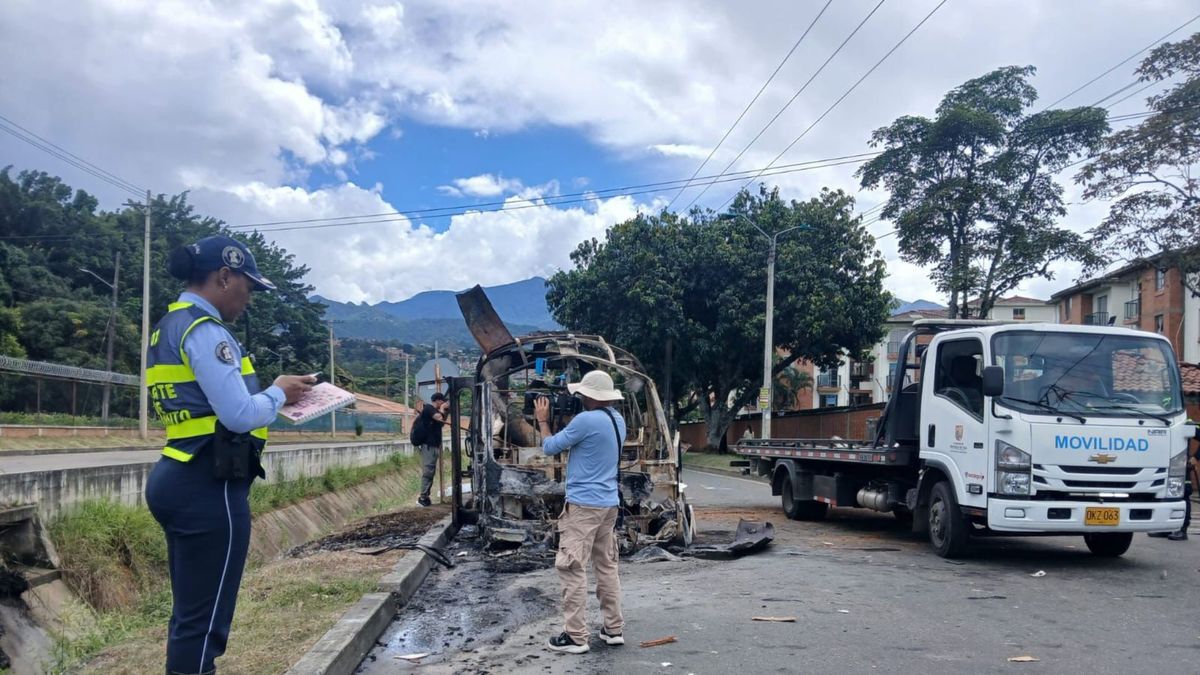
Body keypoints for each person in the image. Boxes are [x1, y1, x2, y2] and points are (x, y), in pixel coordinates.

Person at [144, 235, 315, 675]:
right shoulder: (206, 331)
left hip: (178, 472)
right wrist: (279, 392)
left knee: (191, 615)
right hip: (209, 484)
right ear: (224, 276)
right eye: (249, 287)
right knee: (206, 623)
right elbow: (238, 414)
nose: (249, 299)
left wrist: (275, 396)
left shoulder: (167, 325)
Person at [535, 370, 626, 654]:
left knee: (572, 566)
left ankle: (575, 636)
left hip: (584, 506)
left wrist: (542, 421)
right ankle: (613, 628)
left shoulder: (585, 420)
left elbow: (550, 447)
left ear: (588, 395)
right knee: (606, 566)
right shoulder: (617, 420)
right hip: (609, 504)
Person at [416, 392, 449, 507]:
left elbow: (442, 423)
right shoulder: (429, 409)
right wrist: (443, 408)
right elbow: (439, 418)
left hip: (434, 446)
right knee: (428, 471)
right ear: (438, 400)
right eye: (442, 401)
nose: (444, 403)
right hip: (428, 446)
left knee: (431, 471)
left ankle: (425, 496)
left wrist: (445, 410)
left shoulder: (435, 410)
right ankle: (422, 497)